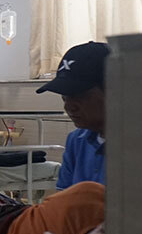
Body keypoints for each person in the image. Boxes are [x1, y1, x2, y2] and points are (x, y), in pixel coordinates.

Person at [37, 41, 108, 189]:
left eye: (80, 95)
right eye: (64, 96)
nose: (69, 106)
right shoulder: (76, 141)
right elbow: (64, 198)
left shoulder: (138, 147)